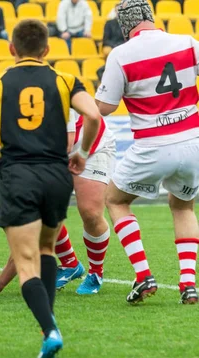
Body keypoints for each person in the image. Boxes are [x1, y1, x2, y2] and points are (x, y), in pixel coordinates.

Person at [0, 19, 101, 358]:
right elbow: (93, 116)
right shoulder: (65, 79)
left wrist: (3, 155)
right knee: (47, 250)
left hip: (19, 175)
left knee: (26, 263)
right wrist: (81, 154)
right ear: (47, 49)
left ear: (12, 49)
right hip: (57, 174)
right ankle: (49, 328)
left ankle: (51, 330)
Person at [95, 0, 199, 305]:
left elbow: (106, 107)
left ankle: (143, 275)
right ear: (150, 16)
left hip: (152, 145)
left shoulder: (121, 55)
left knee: (115, 199)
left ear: (125, 25)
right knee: (183, 207)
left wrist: (78, 103)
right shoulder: (187, 42)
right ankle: (189, 284)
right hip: (192, 141)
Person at [51, 110, 115, 294]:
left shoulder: (59, 86)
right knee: (43, 208)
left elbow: (67, 142)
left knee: (91, 212)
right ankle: (70, 264)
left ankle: (96, 273)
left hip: (93, 145)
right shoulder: (11, 92)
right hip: (52, 150)